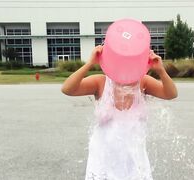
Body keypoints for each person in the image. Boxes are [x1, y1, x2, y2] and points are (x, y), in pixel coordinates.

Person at [61, 45, 177, 180]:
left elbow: (171, 94)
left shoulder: (143, 82)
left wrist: (161, 71)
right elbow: (67, 89)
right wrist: (90, 63)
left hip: (134, 159)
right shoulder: (100, 82)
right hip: (103, 158)